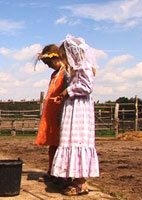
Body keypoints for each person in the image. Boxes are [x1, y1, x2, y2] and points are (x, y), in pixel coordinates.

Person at [50, 35, 99, 195]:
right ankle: (75, 178)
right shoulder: (76, 68)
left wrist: (67, 91)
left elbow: (87, 87)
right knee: (70, 140)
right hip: (73, 107)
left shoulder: (84, 66)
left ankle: (81, 182)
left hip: (80, 110)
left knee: (78, 141)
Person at [35, 44, 68, 183]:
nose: (48, 66)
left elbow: (68, 90)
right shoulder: (54, 74)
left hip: (60, 113)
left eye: (49, 62)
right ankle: (52, 170)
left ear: (56, 58)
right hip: (52, 113)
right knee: (53, 145)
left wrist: (62, 96)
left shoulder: (65, 72)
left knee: (61, 144)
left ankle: (61, 173)